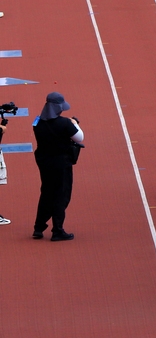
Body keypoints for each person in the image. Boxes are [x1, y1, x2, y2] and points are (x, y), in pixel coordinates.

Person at [32, 93, 83, 241]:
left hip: (44, 162)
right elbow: (79, 137)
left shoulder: (36, 121)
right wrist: (75, 124)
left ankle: (38, 227)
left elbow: (38, 128)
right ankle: (57, 230)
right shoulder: (66, 123)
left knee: (46, 192)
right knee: (61, 195)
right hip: (61, 164)